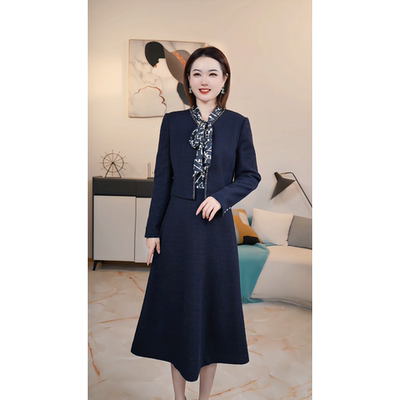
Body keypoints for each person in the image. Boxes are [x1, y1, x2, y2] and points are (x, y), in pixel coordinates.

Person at [131, 46, 262, 400]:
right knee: (179, 314)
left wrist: (221, 198)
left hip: (216, 231)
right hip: (176, 228)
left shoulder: (238, 124)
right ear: (187, 80)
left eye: (212, 73)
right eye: (197, 73)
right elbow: (163, 180)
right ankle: (180, 397)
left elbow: (250, 175)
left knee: (210, 318)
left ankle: (204, 397)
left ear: (224, 80)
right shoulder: (172, 122)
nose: (204, 80)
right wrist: (152, 230)